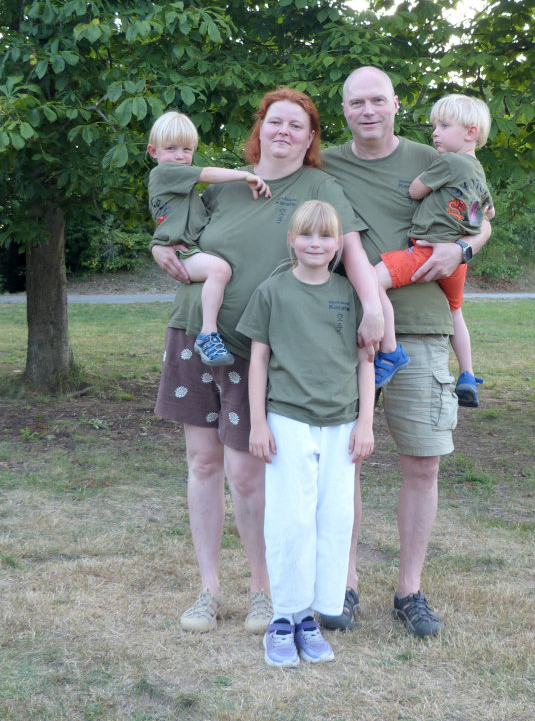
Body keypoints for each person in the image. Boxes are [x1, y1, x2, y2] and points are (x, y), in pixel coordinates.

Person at [151, 87, 382, 636]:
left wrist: (373, 307)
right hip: (194, 334)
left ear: (311, 137)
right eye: (275, 121)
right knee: (202, 464)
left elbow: (350, 251)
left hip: (256, 348)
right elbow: (175, 230)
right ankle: (208, 589)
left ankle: (263, 590)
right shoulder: (223, 185)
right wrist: (159, 248)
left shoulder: (321, 187)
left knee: (248, 473)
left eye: (297, 125)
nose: (284, 131)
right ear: (261, 128)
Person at [319, 66, 492, 637]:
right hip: (341, 329)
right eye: (356, 102)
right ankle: (343, 585)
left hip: (422, 328)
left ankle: (409, 591)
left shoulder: (436, 156)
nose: (367, 110)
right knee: (344, 462)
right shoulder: (325, 164)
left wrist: (464, 248)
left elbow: (482, 218)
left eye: (377, 100)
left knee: (422, 462)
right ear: (344, 110)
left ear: (395, 104)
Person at [237, 200, 375, 668]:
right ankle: (283, 619)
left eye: (326, 236)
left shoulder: (350, 293)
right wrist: (258, 421)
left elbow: (366, 361)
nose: (316, 244)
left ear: (338, 245)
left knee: (334, 518)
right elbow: (258, 358)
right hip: (287, 418)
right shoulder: (272, 291)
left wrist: (366, 422)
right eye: (306, 235)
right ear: (291, 240)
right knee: (291, 518)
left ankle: (311, 617)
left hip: (342, 422)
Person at [373, 94, 495, 407]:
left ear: (470, 132)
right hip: (457, 261)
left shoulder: (450, 162)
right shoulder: (478, 173)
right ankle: (467, 373)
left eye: (444, 126)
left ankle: (390, 351)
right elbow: (486, 214)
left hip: (426, 251)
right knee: (455, 311)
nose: (435, 133)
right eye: (435, 127)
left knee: (372, 281)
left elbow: (415, 190)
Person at [147, 110, 271, 366]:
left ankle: (208, 332)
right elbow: (206, 174)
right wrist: (245, 175)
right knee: (219, 269)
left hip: (187, 248)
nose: (179, 156)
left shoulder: (181, 189)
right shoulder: (164, 173)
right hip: (181, 249)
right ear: (153, 151)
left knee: (218, 270)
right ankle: (207, 334)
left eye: (186, 149)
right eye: (170, 148)